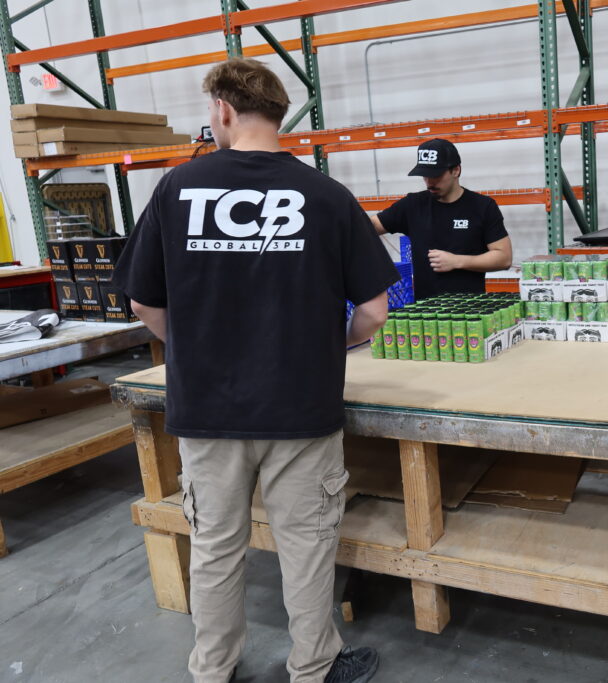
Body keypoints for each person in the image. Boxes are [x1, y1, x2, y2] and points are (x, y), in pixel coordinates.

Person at [113, 58, 397, 683]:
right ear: (278, 112)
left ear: (222, 109)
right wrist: (330, 347)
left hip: (208, 410)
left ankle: (213, 671)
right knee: (307, 547)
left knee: (215, 549)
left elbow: (142, 302)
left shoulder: (176, 189)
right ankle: (313, 668)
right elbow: (375, 311)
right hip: (302, 407)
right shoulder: (326, 194)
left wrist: (189, 349)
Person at [369, 138, 513, 298]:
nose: (429, 182)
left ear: (456, 170)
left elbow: (504, 258)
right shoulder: (412, 205)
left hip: (470, 314)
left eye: (436, 175)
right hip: (424, 314)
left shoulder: (482, 207)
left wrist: (457, 261)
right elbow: (371, 226)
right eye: (425, 175)